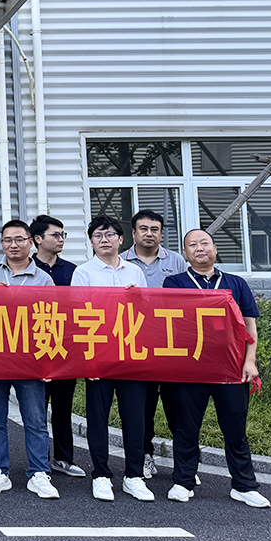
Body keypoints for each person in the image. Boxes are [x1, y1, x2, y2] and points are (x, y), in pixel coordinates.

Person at [164, 229, 270, 508]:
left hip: (231, 368)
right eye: (193, 245)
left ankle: (244, 485)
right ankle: (183, 481)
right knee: (186, 427)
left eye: (205, 243)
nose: (199, 248)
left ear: (215, 249)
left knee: (235, 428)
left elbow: (250, 325)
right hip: (189, 368)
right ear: (185, 253)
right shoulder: (174, 283)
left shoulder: (236, 283)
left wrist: (250, 361)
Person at [0, 220, 59, 500]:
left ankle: (39, 473)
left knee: (35, 418)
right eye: (7, 240)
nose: (13, 245)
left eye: (19, 239)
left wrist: (48, 363)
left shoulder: (43, 279)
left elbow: (52, 320)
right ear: (1, 243)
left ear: (31, 242)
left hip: (29, 359)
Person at [71, 214, 154, 503]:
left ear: (121, 239)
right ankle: (101, 475)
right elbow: (78, 317)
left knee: (135, 417)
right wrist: (86, 360)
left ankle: (134, 475)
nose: (104, 240)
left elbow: (147, 313)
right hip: (99, 354)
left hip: (131, 353)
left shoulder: (135, 272)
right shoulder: (83, 273)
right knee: (98, 417)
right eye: (98, 235)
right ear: (91, 242)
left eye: (109, 235)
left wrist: (138, 298)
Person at [124, 209, 188, 479]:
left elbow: (189, 298)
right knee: (144, 405)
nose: (149, 234)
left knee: (178, 405)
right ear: (133, 233)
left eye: (155, 229)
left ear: (161, 234)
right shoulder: (121, 261)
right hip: (137, 343)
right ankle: (145, 455)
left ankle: (185, 462)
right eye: (143, 229)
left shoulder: (176, 261)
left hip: (172, 343)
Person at [29, 214, 84, 479]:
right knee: (36, 408)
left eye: (63, 235)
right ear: (38, 239)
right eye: (55, 235)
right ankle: (38, 460)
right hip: (35, 347)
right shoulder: (28, 269)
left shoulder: (73, 271)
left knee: (63, 406)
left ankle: (63, 458)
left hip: (65, 347)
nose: (61, 239)